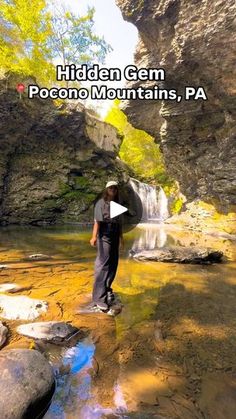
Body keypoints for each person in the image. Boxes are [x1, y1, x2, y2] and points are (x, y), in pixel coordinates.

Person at [90, 180, 124, 312]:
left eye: (115, 189)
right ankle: (98, 298)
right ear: (106, 190)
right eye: (111, 188)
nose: (113, 190)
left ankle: (107, 289)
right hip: (104, 235)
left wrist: (121, 238)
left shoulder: (117, 204)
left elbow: (120, 223)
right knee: (103, 264)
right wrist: (94, 236)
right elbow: (97, 222)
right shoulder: (100, 203)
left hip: (115, 234)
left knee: (113, 263)